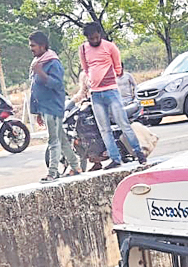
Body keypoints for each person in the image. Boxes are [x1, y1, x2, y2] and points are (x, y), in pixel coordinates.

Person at [79, 22, 146, 168]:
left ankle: (138, 152)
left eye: (96, 37)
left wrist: (110, 76)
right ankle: (115, 158)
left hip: (111, 91)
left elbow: (118, 67)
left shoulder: (110, 46)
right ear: (87, 38)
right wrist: (91, 80)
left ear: (100, 35)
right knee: (104, 129)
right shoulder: (83, 49)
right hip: (95, 94)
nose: (94, 41)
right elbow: (85, 68)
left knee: (123, 123)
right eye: (91, 39)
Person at [28, 29, 81, 182]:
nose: (31, 49)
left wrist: (42, 73)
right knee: (61, 139)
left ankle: (53, 172)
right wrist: (37, 112)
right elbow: (34, 88)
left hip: (53, 107)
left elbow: (57, 85)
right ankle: (75, 165)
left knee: (53, 140)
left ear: (43, 46)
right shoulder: (38, 62)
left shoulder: (52, 62)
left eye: (34, 46)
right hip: (44, 108)